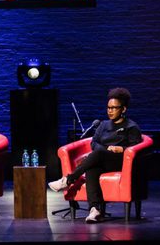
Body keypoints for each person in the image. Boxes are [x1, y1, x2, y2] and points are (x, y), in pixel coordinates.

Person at [48, 87, 142, 223]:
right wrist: (105, 150)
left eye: (114, 108)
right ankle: (95, 210)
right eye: (108, 108)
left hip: (121, 162)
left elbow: (136, 148)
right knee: (92, 170)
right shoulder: (103, 125)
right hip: (103, 159)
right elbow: (94, 143)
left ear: (123, 109)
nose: (110, 111)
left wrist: (121, 149)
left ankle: (67, 180)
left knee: (97, 154)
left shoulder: (131, 127)